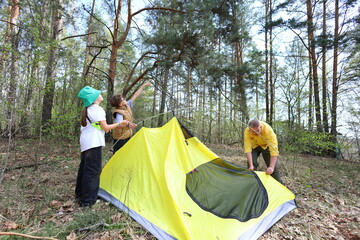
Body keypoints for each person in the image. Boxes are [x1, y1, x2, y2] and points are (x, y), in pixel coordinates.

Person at [76, 86, 129, 207]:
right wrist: (120, 123)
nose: (100, 94)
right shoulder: (97, 109)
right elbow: (105, 127)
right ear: (94, 98)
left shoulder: (88, 109)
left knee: (84, 168)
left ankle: (80, 194)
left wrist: (105, 128)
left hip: (86, 142)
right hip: (93, 142)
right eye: (97, 93)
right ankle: (88, 201)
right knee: (93, 170)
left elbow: (98, 126)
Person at [110, 81, 151, 153]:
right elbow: (119, 124)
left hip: (127, 135)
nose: (124, 98)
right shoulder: (118, 113)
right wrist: (129, 125)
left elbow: (136, 95)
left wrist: (144, 85)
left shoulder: (127, 105)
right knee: (119, 156)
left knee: (126, 155)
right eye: (122, 99)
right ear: (120, 104)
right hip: (120, 138)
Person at [243, 118, 282, 183]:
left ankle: (280, 187)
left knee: (273, 168)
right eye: (252, 131)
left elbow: (274, 151)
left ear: (260, 127)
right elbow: (248, 149)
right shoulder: (247, 131)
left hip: (266, 147)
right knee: (251, 165)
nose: (254, 133)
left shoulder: (268, 131)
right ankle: (252, 184)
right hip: (254, 146)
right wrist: (251, 165)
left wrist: (271, 167)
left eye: (257, 131)